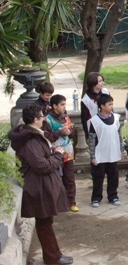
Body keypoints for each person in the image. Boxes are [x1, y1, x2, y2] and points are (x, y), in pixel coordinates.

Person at [8, 105, 73, 265]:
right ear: (35, 120)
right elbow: (41, 165)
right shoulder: (30, 141)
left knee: (46, 222)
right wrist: (57, 155)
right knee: (44, 223)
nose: (44, 118)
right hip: (38, 187)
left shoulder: (31, 136)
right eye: (41, 116)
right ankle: (52, 258)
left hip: (40, 185)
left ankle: (54, 255)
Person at [87, 94, 125, 207]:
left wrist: (121, 150)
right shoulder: (94, 121)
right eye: (109, 104)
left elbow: (119, 135)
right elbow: (92, 140)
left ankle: (113, 196)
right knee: (98, 177)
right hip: (100, 154)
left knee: (113, 176)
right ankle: (96, 198)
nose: (112, 106)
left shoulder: (116, 118)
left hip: (112, 153)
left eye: (112, 104)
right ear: (102, 106)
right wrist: (92, 156)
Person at [46, 94, 78, 212]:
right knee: (57, 179)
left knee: (69, 178)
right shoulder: (48, 119)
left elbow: (73, 134)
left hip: (68, 153)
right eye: (62, 104)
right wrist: (60, 133)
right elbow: (46, 137)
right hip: (55, 154)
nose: (64, 107)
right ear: (54, 106)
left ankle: (72, 202)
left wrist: (70, 131)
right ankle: (58, 203)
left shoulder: (65, 117)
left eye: (65, 104)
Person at [81, 72, 110, 140]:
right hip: (94, 129)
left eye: (102, 80)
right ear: (93, 83)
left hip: (107, 125)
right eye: (100, 81)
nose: (102, 82)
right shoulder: (86, 100)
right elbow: (84, 119)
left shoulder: (105, 92)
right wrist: (87, 135)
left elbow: (111, 108)